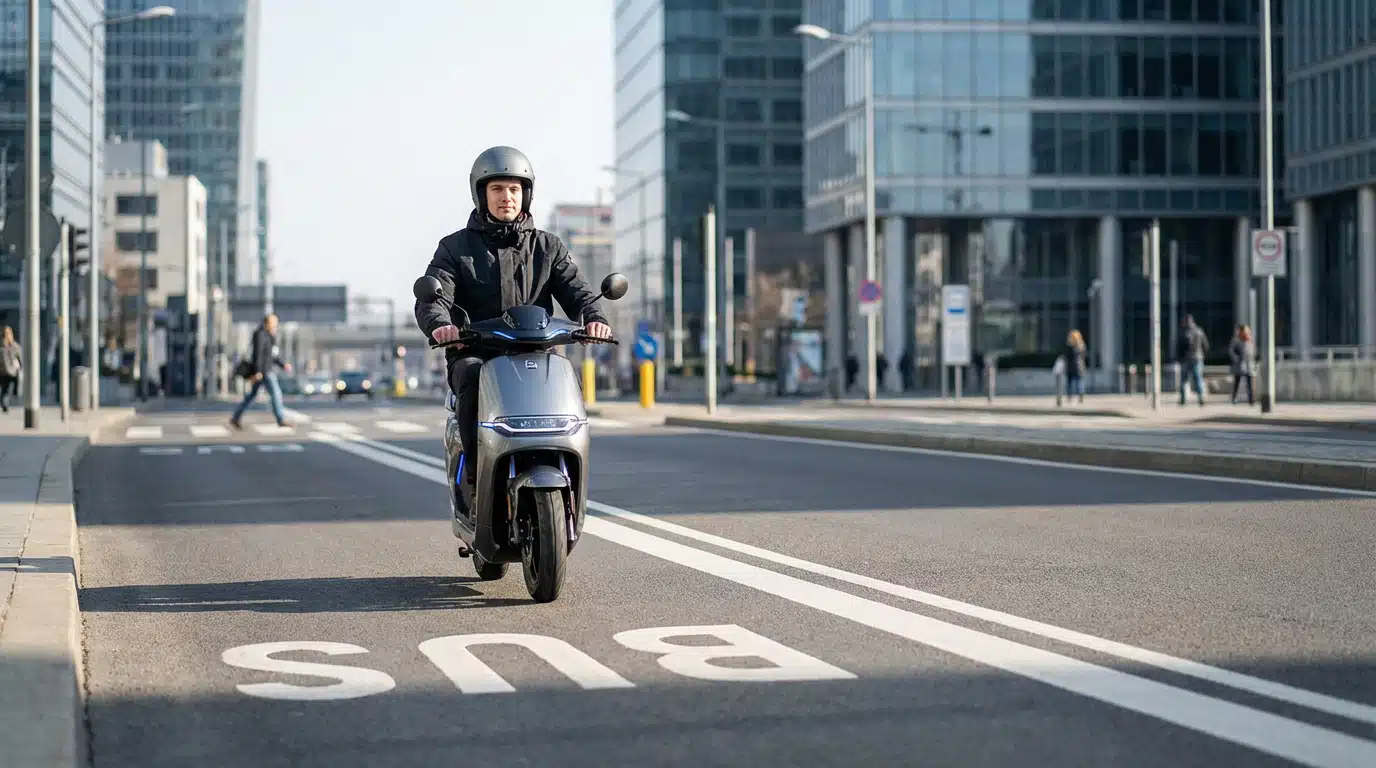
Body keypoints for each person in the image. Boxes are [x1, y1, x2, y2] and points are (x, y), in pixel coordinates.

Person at [413, 146, 612, 483]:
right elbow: (434, 296)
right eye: (497, 189)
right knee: (472, 374)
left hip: (535, 354)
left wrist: (595, 318)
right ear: (481, 194)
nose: (507, 197)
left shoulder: (548, 247)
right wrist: (441, 325)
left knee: (563, 375)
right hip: (476, 353)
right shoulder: (455, 248)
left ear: (526, 194)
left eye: (515, 189)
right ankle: (479, 473)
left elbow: (576, 290)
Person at [229, 313, 293, 429]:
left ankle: (236, 417)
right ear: (267, 323)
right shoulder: (260, 334)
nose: (276, 326)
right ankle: (281, 419)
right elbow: (257, 354)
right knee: (276, 393)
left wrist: (283, 365)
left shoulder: (269, 335)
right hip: (264, 371)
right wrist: (257, 372)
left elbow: (273, 355)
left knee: (251, 396)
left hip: (265, 370)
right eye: (274, 323)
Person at [1176, 314, 1209, 406]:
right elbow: (1205, 345)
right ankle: (1200, 398)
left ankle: (1182, 399)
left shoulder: (1184, 332)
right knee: (1198, 378)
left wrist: (1179, 358)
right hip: (1198, 357)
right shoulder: (1199, 331)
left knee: (1184, 380)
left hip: (1186, 358)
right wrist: (1203, 355)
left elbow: (1180, 347)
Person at [1230, 324, 1256, 405]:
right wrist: (1236, 358)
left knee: (1250, 384)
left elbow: (1252, 352)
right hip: (1239, 365)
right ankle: (1234, 398)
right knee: (1237, 383)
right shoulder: (1236, 341)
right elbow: (1231, 351)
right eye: (1244, 330)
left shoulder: (1249, 340)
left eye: (1247, 330)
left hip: (1249, 365)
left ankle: (1251, 399)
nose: (1246, 332)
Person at [1063, 329, 1088, 403]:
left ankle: (1069, 397)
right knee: (1079, 383)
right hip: (1079, 366)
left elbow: (1066, 357)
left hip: (1071, 367)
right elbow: (1084, 356)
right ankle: (1081, 397)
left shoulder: (1069, 346)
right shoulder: (1082, 346)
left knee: (1070, 384)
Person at [0, 325, 20, 412]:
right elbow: (19, 357)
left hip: (2, 371)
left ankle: (4, 403)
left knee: (4, 389)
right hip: (12, 371)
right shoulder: (14, 345)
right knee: (7, 389)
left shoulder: (1, 346)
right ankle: (5, 404)